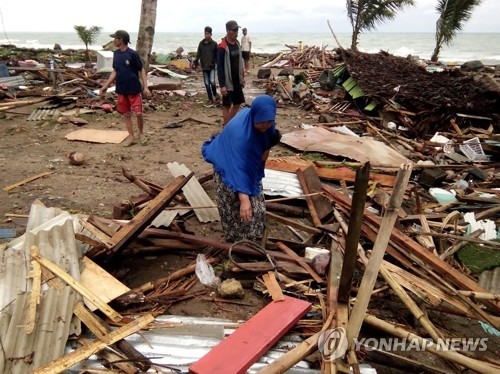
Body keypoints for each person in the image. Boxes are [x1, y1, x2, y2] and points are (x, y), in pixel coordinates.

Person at [202, 95, 282, 242]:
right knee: (235, 205)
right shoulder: (240, 136)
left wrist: (262, 156)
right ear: (254, 117)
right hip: (228, 163)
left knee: (255, 201)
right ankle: (236, 240)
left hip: (247, 163)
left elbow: (267, 142)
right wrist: (244, 200)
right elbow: (238, 170)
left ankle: (253, 235)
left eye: (268, 122)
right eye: (261, 123)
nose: (265, 126)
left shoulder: (266, 121)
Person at [100, 30, 151, 147]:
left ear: (121, 40)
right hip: (122, 89)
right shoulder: (116, 54)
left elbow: (141, 69)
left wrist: (146, 87)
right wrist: (105, 86)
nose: (113, 40)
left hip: (134, 89)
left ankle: (141, 134)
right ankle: (131, 137)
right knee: (126, 114)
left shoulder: (132, 54)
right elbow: (115, 71)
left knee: (138, 113)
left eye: (115, 38)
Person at [217, 20, 245, 125]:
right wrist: (222, 85)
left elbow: (240, 62)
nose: (236, 32)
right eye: (234, 30)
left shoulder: (237, 44)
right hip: (227, 82)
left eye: (237, 30)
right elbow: (219, 67)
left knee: (237, 103)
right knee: (227, 105)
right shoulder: (222, 47)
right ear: (228, 31)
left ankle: (229, 125)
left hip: (237, 80)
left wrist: (242, 78)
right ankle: (227, 128)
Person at [193, 26, 219, 103]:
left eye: (208, 34)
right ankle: (210, 98)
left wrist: (217, 64)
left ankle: (215, 94)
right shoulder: (201, 43)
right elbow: (198, 54)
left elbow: (217, 55)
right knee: (207, 83)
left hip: (211, 66)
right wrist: (195, 62)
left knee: (212, 82)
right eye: (205, 34)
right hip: (204, 66)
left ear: (211, 34)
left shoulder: (214, 44)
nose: (206, 35)